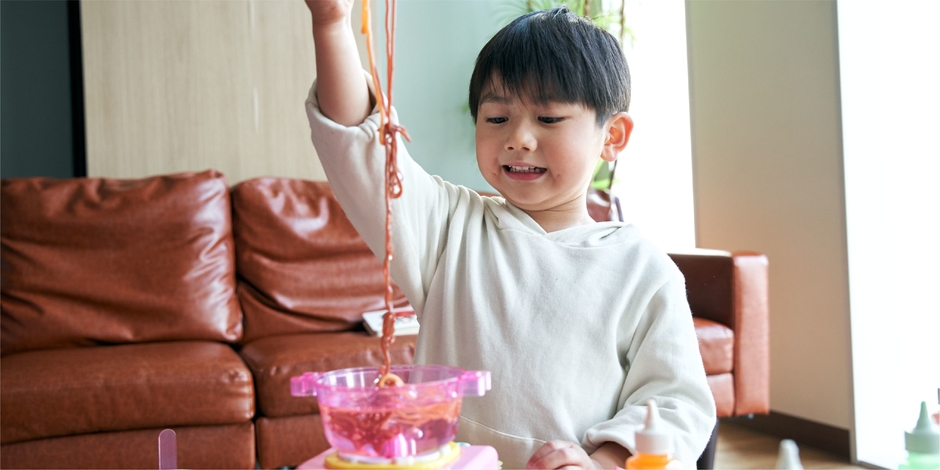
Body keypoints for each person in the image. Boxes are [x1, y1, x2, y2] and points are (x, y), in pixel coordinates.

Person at [303, 2, 717, 469]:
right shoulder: (449, 227)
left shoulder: (643, 269)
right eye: (496, 118)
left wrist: (601, 463)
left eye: (549, 119)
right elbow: (360, 146)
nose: (518, 138)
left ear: (612, 136)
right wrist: (331, 22)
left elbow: (674, 401)